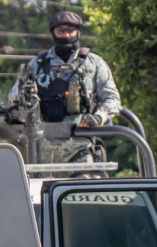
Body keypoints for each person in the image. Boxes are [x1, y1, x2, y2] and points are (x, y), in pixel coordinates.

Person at [9, 11, 121, 164]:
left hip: (82, 148)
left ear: (78, 32)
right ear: (53, 33)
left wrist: (98, 117)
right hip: (42, 153)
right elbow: (13, 99)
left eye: (71, 30)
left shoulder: (93, 63)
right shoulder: (37, 65)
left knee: (87, 184)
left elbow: (113, 99)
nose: (66, 35)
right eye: (61, 30)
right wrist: (25, 95)